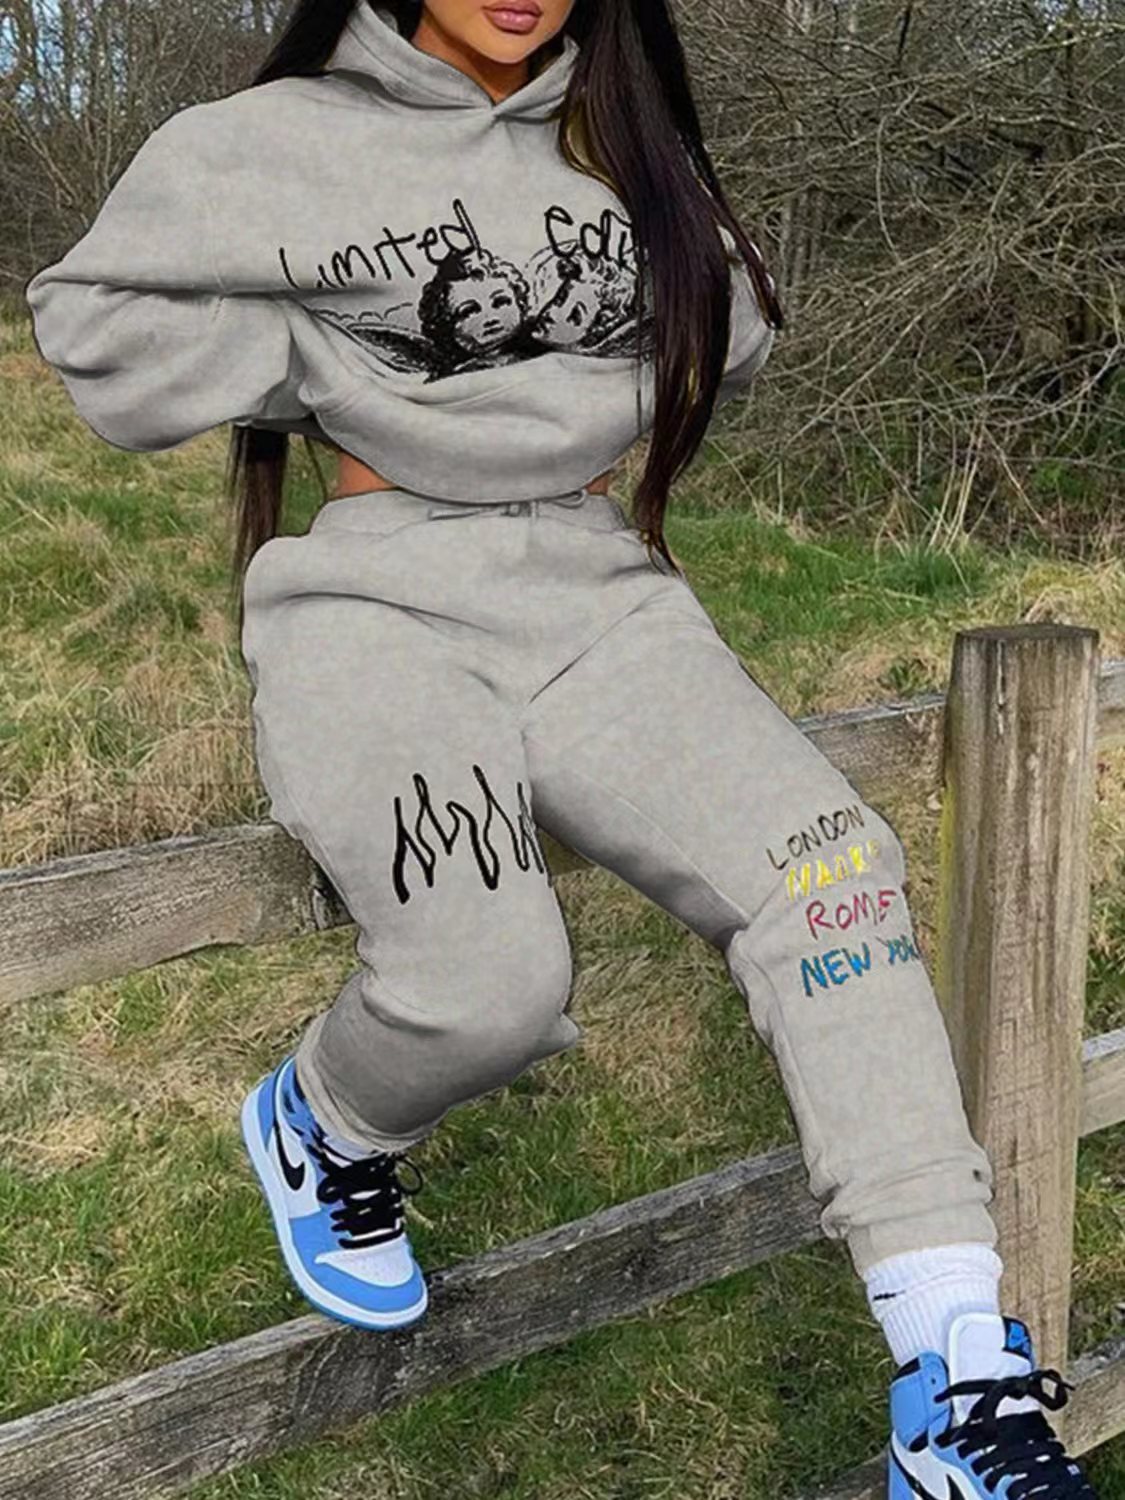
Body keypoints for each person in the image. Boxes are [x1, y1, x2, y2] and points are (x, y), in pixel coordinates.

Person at [24, 2, 1097, 1494]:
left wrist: (581, 313)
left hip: (600, 597)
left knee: (833, 876)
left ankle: (957, 1374)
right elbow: (93, 337)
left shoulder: (615, 141)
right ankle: (325, 1121)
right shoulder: (271, 143)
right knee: (487, 985)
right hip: (380, 604)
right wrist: (312, 342)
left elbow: (739, 320)